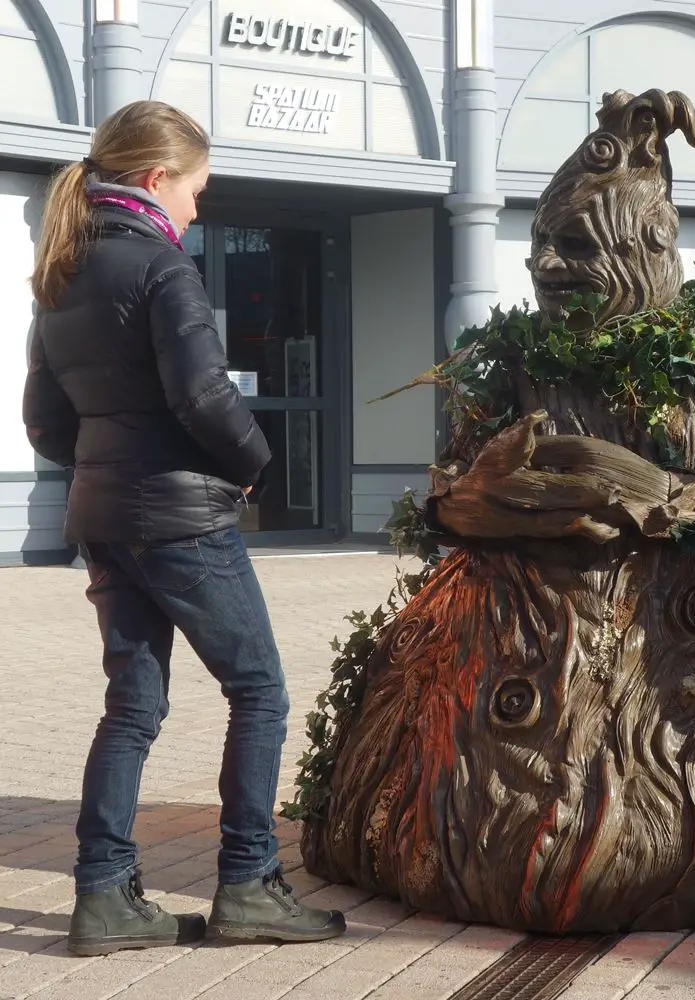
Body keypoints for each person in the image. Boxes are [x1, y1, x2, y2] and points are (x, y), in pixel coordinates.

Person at [22, 100, 345, 956]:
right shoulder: (164, 271)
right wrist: (258, 462)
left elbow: (46, 424)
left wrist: (106, 466)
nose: (200, 209)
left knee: (131, 707)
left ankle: (104, 900)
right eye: (198, 190)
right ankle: (247, 885)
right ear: (156, 180)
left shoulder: (61, 271)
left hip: (102, 518)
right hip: (180, 520)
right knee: (260, 692)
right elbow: (205, 397)